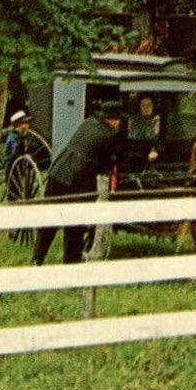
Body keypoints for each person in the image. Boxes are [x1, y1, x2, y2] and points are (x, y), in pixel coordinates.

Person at [32, 100, 124, 266]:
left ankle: (37, 259)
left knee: (51, 219)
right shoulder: (109, 135)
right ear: (114, 119)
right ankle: (71, 262)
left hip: (58, 171)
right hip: (77, 179)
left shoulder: (88, 122)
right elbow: (108, 163)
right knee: (75, 224)